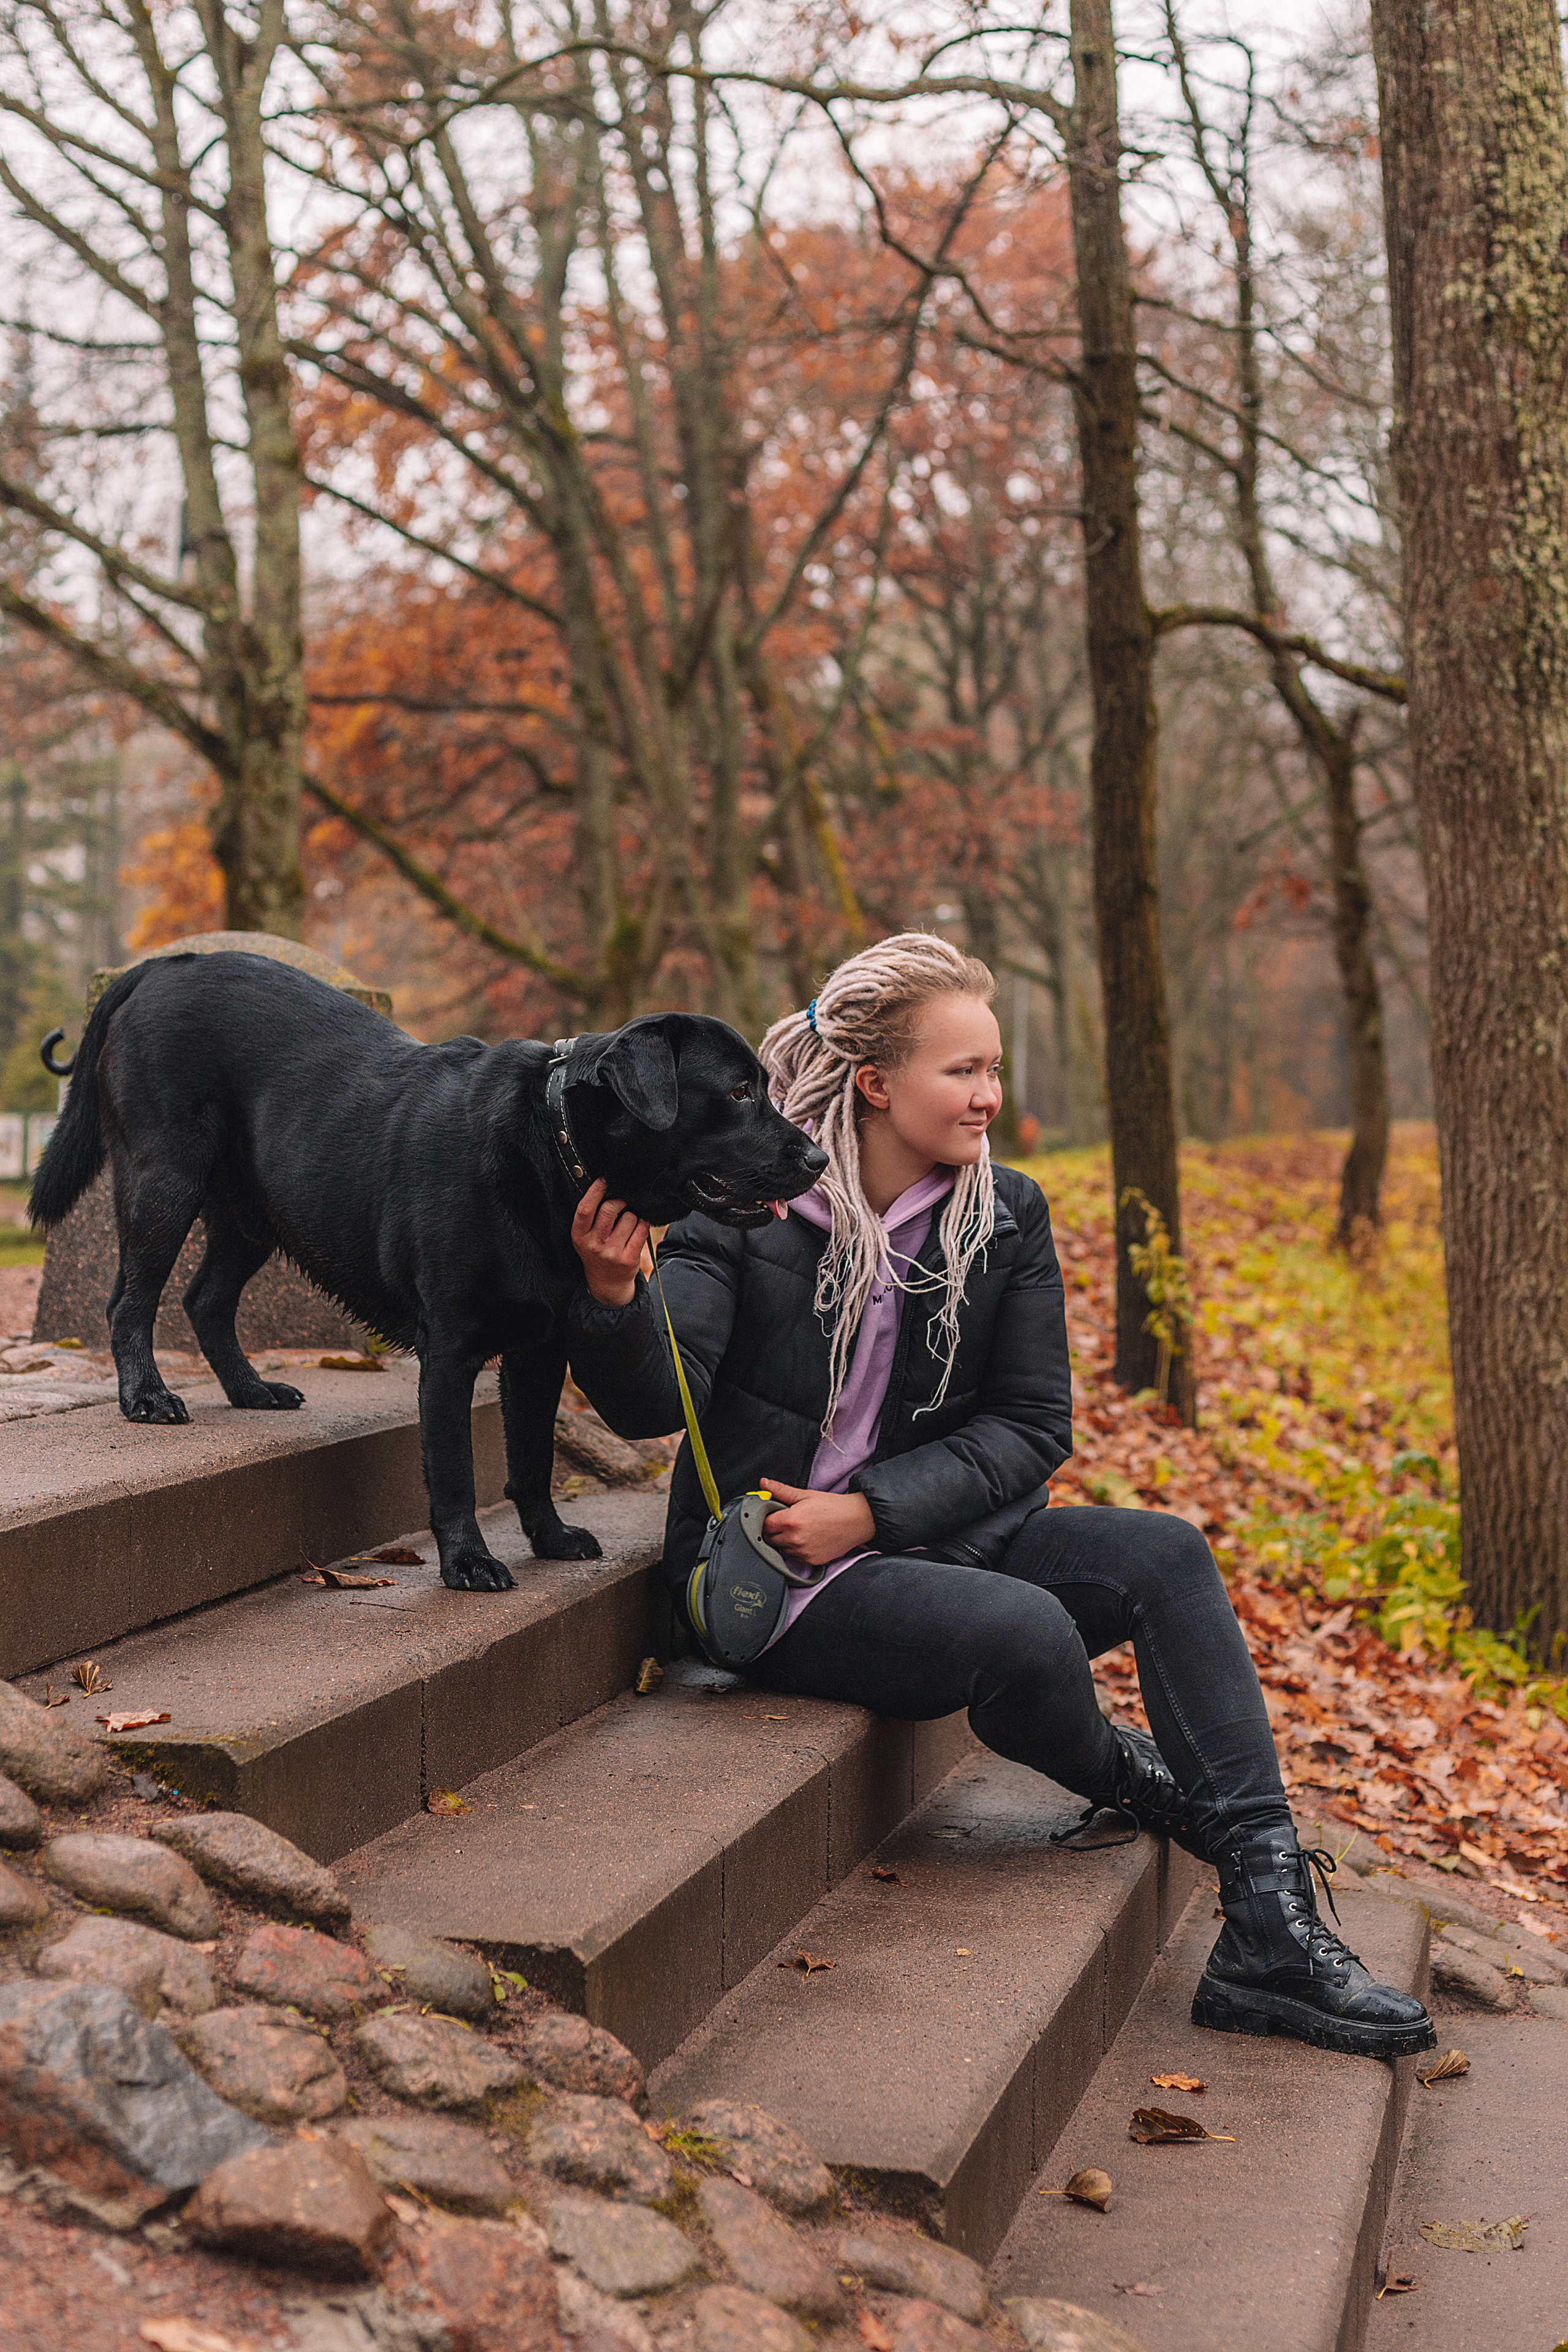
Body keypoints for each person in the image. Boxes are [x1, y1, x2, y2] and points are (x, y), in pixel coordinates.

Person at [564, 933, 1434, 2061]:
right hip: (773, 1576)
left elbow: (1032, 1427)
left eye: (995, 1070)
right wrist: (611, 1293)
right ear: (875, 1084)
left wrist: (872, 1511)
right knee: (1025, 1632)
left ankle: (1268, 1925)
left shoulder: (1003, 1215)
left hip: (922, 1537)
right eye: (961, 1072)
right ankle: (1151, 1785)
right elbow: (646, 1407)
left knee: (1164, 1555)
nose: (989, 1099)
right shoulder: (751, 1215)